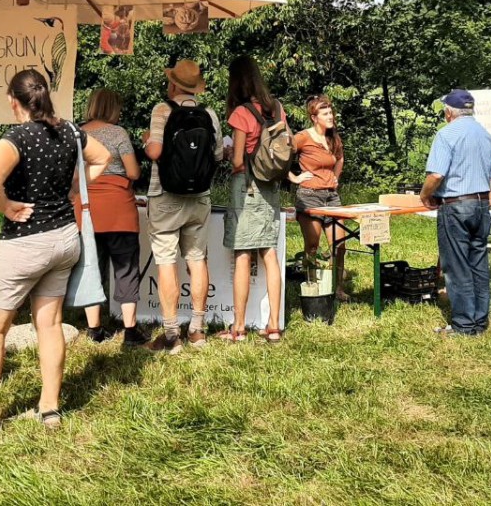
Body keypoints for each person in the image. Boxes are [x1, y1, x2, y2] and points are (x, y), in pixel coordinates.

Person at [0, 69, 111, 439]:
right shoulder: (70, 131)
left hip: (25, 243)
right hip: (64, 240)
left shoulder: (16, 137)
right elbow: (102, 157)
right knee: (50, 324)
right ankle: (50, 409)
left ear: (13, 101)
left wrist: (5, 205)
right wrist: (74, 188)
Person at [141, 59, 224, 354]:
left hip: (164, 195)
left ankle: (171, 334)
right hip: (199, 196)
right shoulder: (209, 113)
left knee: (166, 261)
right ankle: (198, 330)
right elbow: (216, 155)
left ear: (173, 83)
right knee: (197, 258)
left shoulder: (162, 110)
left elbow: (155, 152)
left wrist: (146, 142)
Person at [419, 88, 491, 336]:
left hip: (455, 205)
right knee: (478, 263)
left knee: (457, 266)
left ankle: (464, 325)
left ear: (448, 112)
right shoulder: (486, 135)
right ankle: (480, 322)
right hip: (482, 204)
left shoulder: (446, 134)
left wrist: (425, 195)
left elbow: (436, 175)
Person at [219, 56, 285, 342]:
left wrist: (226, 152)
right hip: (270, 185)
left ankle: (240, 326)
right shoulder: (277, 108)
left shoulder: (240, 113)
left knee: (242, 253)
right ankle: (273, 326)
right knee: (269, 252)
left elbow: (236, 159)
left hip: (245, 186)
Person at [78, 88, 149, 347]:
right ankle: (130, 331)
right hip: (119, 209)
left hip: (86, 210)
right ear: (113, 108)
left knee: (91, 268)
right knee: (126, 268)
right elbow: (132, 172)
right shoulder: (118, 133)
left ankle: (94, 330)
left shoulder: (78, 133)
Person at [289, 94, 348, 301]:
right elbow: (279, 155)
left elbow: (339, 158)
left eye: (331, 112)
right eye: (325, 113)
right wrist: (294, 177)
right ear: (314, 117)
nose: (330, 116)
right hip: (309, 196)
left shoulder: (333, 138)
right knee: (312, 245)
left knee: (340, 244)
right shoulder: (303, 137)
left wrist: (335, 177)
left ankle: (337, 288)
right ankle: (312, 285)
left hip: (331, 197)